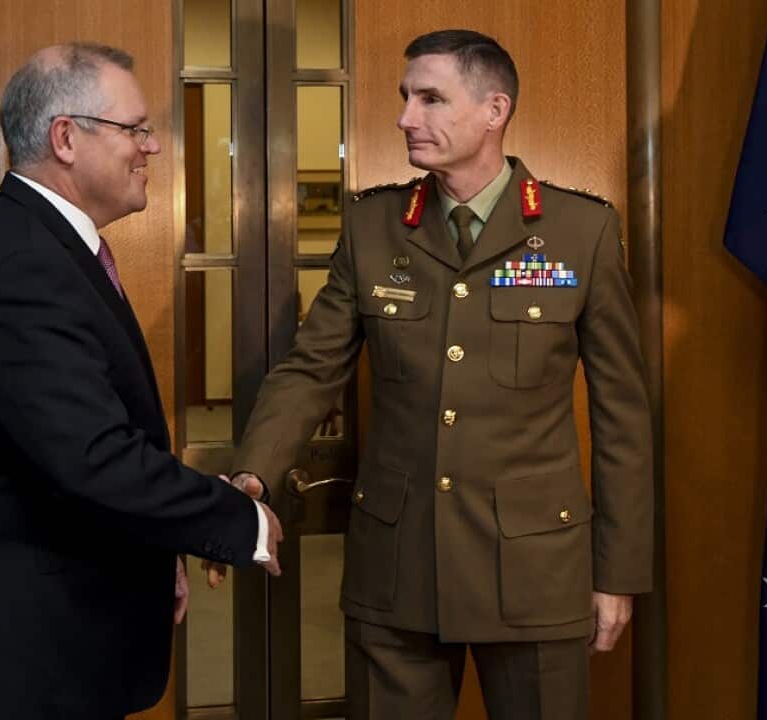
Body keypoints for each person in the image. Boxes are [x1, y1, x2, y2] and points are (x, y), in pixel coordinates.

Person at [215, 29, 653, 719]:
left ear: (493, 110)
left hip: (535, 572)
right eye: (404, 97)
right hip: (399, 569)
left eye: (430, 98)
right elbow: (310, 369)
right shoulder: (373, 226)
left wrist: (618, 574)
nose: (405, 117)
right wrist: (253, 474)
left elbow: (622, 414)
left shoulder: (580, 231)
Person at [0, 43, 282, 720]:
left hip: (60, 638)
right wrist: (237, 519)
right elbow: (91, 457)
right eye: (136, 129)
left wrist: (156, 541)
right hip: (23, 655)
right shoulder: (26, 267)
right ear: (66, 138)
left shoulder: (45, 247)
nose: (153, 147)